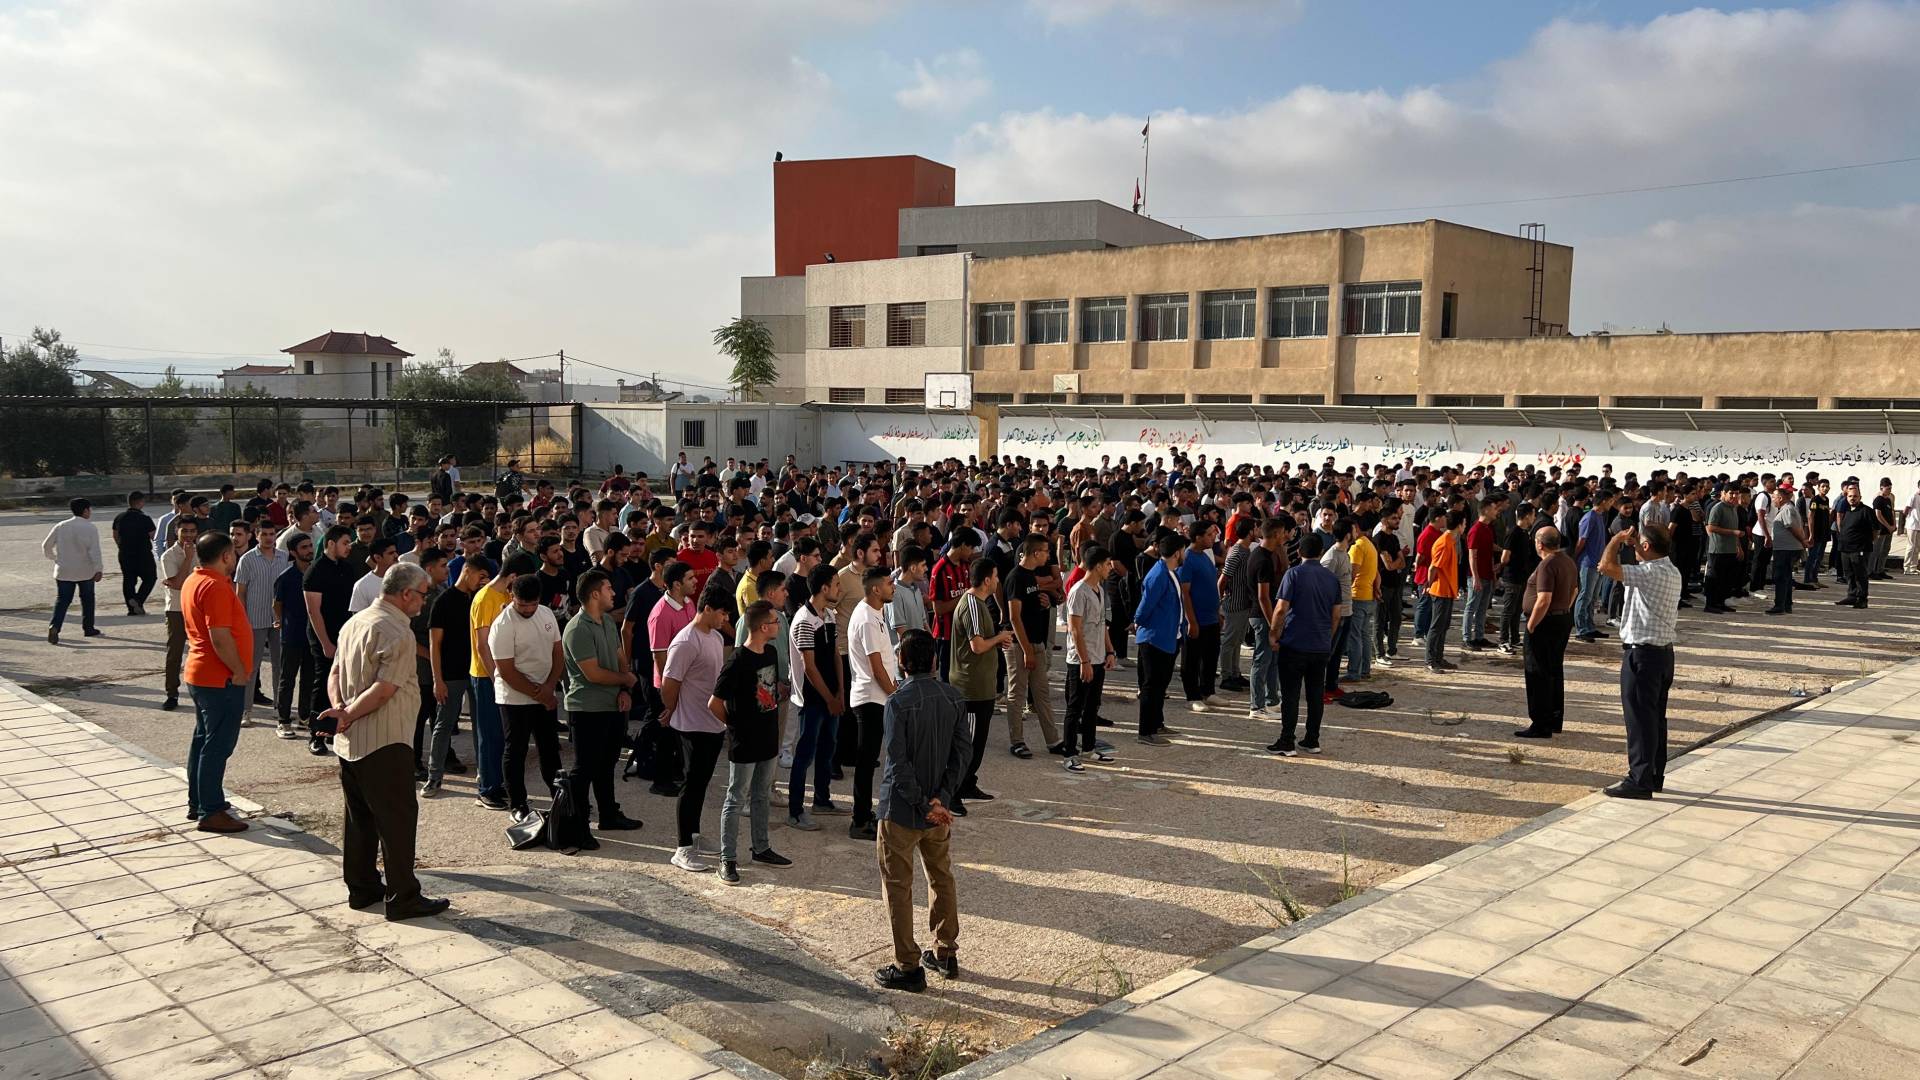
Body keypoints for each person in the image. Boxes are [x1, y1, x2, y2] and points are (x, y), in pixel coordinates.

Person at [314, 561, 450, 921]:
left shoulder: (355, 621)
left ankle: (362, 888)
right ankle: (403, 896)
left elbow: (335, 672)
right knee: (397, 820)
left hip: (352, 741)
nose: (424, 601)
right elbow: (384, 689)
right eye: (422, 594)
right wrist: (348, 713)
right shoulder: (398, 632)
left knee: (360, 819)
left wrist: (341, 709)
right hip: (385, 739)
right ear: (405, 594)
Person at [873, 629, 971, 993]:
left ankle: (908, 965)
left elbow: (897, 762)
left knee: (898, 887)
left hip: (901, 810)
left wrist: (922, 802)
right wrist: (940, 799)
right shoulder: (953, 698)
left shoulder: (897, 703)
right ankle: (945, 951)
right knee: (941, 876)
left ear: (901, 662)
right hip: (936, 810)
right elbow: (962, 753)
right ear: (934, 661)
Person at [1596, 522, 1681, 799]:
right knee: (1655, 718)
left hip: (1643, 654)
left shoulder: (1648, 573)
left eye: (1639, 542)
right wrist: (1636, 547)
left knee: (1639, 720)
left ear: (1646, 546)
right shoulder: (1671, 570)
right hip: (1662, 653)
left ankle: (1639, 779)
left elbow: (1605, 567)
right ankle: (1653, 775)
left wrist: (1616, 540)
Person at [712, 600, 794, 884]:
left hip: (767, 738)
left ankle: (761, 848)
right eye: (774, 621)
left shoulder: (770, 652)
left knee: (761, 795)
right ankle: (727, 858)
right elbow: (714, 702)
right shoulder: (737, 660)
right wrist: (734, 726)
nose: (778, 625)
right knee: (736, 798)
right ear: (762, 627)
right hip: (745, 741)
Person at [180, 531, 253, 833]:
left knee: (204, 741)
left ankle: (200, 801)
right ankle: (210, 810)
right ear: (225, 556)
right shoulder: (216, 586)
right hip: (219, 678)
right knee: (217, 746)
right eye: (232, 553)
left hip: (202, 674)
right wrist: (238, 670)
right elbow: (220, 636)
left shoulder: (194, 580)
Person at [561, 569, 643, 831]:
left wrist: (624, 689)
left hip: (612, 705)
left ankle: (608, 814)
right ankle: (577, 825)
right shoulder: (577, 629)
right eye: (609, 588)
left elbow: (620, 657)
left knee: (607, 764)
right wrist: (626, 679)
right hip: (587, 709)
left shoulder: (607, 621)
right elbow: (593, 674)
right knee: (584, 768)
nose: (614, 593)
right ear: (595, 594)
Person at [660, 585, 734, 872]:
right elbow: (670, 685)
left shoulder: (715, 637)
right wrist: (671, 710)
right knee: (691, 786)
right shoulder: (685, 642)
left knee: (701, 784)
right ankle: (683, 848)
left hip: (713, 723)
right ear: (707, 609)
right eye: (722, 613)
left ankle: (694, 835)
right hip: (691, 726)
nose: (725, 619)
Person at [490, 573, 565, 820]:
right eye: (523, 605)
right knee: (516, 750)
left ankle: (560, 798)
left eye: (533, 604)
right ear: (512, 596)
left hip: (545, 691)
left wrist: (550, 686)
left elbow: (557, 652)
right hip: (514, 698)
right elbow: (507, 671)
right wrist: (541, 694)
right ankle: (518, 804)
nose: (528, 609)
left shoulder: (546, 614)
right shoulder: (502, 625)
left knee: (550, 748)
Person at [468, 554, 534, 810]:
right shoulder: (485, 598)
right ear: (513, 577)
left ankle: (500, 783)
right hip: (487, 676)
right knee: (490, 735)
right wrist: (498, 676)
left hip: (504, 674)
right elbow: (482, 645)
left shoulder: (505, 596)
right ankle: (487, 789)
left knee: (505, 735)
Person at [1267, 533, 1339, 757]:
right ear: (1321, 552)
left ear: (1298, 552)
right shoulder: (1331, 578)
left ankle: (1287, 740)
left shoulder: (1293, 574)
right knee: (1315, 694)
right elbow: (1336, 614)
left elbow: (1281, 609)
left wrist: (1273, 634)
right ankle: (1312, 739)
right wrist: (1327, 636)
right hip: (1320, 644)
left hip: (1295, 643)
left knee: (1290, 694)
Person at [947, 558, 1010, 816]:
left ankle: (967, 784)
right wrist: (999, 638)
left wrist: (997, 640)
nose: (997, 581)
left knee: (977, 743)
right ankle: (951, 794)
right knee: (966, 746)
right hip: (970, 688)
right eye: (995, 576)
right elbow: (977, 645)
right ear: (986, 580)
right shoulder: (972, 604)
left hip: (981, 687)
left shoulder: (979, 603)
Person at [787, 564, 845, 830]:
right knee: (805, 754)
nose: (839, 589)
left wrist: (840, 691)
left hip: (830, 695)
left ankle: (822, 799)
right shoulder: (803, 620)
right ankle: (795, 811)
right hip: (811, 699)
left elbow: (835, 654)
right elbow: (809, 666)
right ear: (824, 588)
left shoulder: (829, 615)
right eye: (836, 584)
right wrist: (829, 698)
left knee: (827, 747)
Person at [422, 556, 486, 797]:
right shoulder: (444, 601)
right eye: (480, 575)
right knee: (444, 725)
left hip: (478, 671)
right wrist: (438, 680)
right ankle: (434, 776)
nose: (482, 581)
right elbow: (434, 644)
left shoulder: (479, 598)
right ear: (467, 571)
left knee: (482, 724)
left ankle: (484, 772)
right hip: (451, 674)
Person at [847, 567, 901, 840]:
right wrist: (894, 694)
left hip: (877, 696)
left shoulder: (876, 612)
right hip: (870, 698)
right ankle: (859, 820)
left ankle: (864, 813)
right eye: (890, 583)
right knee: (866, 762)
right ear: (876, 589)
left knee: (869, 760)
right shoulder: (867, 618)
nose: (894, 587)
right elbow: (876, 666)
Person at [302, 525, 360, 757]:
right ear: (331, 543)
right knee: (324, 680)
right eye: (345, 543)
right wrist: (326, 643)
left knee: (344, 682)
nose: (349, 547)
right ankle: (316, 734)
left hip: (345, 634)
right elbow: (313, 611)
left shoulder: (347, 568)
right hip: (323, 636)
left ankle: (337, 728)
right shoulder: (315, 571)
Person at [1514, 527, 1577, 739]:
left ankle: (1541, 723)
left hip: (1545, 622)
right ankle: (1553, 719)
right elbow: (1574, 590)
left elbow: (1544, 599)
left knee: (1538, 672)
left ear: (1540, 544)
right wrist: (1564, 608)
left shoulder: (1548, 564)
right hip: (1561, 618)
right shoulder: (1567, 560)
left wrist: (1531, 625)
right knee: (1553, 669)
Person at [1060, 545, 1118, 771]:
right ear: (1097, 566)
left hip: (1098, 656)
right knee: (1075, 707)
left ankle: (1089, 747)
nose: (1110, 568)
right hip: (1080, 660)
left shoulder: (1099, 590)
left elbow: (1102, 624)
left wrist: (1110, 651)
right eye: (1107, 564)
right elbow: (1075, 629)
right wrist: (1084, 661)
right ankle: (1069, 753)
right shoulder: (1078, 591)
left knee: (1093, 706)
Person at [1003, 535, 1060, 760]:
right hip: (1019, 645)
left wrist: (1044, 603)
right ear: (1035, 553)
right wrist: (1027, 650)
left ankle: (1053, 740)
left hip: (1036, 642)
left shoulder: (1031, 576)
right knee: (1017, 694)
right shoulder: (1016, 577)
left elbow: (1031, 606)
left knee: (1041, 694)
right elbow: (1014, 617)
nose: (1048, 556)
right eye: (1045, 551)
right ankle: (1017, 741)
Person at [1133, 529, 1188, 746]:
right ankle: (1145, 731)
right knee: (1152, 685)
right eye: (1183, 550)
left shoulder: (1170, 572)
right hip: (1154, 637)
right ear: (1177, 553)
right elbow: (1146, 605)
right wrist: (1138, 621)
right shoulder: (1158, 575)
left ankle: (1157, 723)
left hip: (1168, 637)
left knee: (1161, 684)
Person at [233, 519, 287, 718]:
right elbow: (240, 592)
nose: (268, 538)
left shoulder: (283, 557)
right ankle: (246, 709)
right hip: (254, 619)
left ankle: (280, 707)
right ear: (256, 536)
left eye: (272, 534)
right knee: (251, 666)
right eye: (264, 534)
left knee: (279, 665)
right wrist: (242, 620)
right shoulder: (247, 559)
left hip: (279, 619)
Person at [1177, 520, 1224, 711]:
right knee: (1192, 659)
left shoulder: (1205, 556)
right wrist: (1191, 621)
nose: (1214, 537)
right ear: (1198, 537)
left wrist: (1218, 612)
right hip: (1196, 619)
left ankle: (1208, 691)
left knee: (1211, 656)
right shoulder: (1187, 558)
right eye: (1209, 534)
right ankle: (1192, 696)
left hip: (1211, 617)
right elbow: (1185, 592)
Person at [43, 498, 103, 645]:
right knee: (87, 599)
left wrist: (55, 558)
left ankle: (55, 626)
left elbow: (46, 545)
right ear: (85, 510)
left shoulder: (61, 526)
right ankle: (88, 628)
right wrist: (98, 569)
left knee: (63, 600)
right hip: (85, 570)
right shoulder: (90, 528)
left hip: (64, 570)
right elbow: (94, 551)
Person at [274, 532, 317, 737]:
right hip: (291, 636)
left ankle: (304, 717)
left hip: (312, 636)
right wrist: (282, 622)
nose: (309, 550)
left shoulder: (316, 573)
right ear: (293, 552)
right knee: (287, 679)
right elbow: (277, 605)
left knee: (309, 678)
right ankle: (283, 721)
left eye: (310, 546)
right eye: (304, 547)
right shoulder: (285, 577)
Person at [160, 517, 200, 710]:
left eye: (192, 531)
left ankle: (201, 692)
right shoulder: (168, 556)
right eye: (184, 531)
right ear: (177, 531)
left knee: (201, 652)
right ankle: (172, 693)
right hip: (176, 609)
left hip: (198, 609)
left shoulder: (202, 552)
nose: (188, 535)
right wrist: (187, 558)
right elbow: (178, 584)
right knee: (174, 653)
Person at [1424, 511, 1464, 673]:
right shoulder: (1444, 542)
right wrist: (1428, 584)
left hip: (1447, 590)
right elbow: (1433, 567)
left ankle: (1438, 658)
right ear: (1460, 525)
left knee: (1443, 626)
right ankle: (1430, 660)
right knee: (1436, 626)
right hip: (1440, 590)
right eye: (1464, 524)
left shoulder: (1449, 541)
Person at [111, 491, 158, 617]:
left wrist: (121, 546)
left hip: (125, 553)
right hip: (143, 554)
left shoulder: (119, 517)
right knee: (150, 578)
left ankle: (131, 609)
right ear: (141, 502)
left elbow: (115, 535)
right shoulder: (145, 518)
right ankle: (138, 600)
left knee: (129, 580)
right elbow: (153, 536)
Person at [1764, 486, 1808, 616]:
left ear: (1780, 498)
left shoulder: (1787, 509)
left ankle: (1780, 605)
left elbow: (1792, 528)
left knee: (1781, 577)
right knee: (1786, 577)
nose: (1773, 499)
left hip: (1786, 549)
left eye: (1774, 497)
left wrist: (1803, 541)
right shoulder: (1785, 509)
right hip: (1785, 548)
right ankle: (1786, 604)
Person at [1703, 486, 1744, 614]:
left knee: (1726, 579)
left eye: (1736, 493)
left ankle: (1720, 602)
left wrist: (1738, 547)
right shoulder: (1718, 508)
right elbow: (1711, 527)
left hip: (1730, 549)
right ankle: (1710, 604)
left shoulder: (1733, 508)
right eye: (1731, 493)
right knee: (1714, 578)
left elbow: (1735, 530)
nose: (1734, 496)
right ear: (1723, 493)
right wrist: (1733, 532)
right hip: (1718, 549)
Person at [1835, 478, 1875, 609]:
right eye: (1850, 496)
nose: (1852, 498)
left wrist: (1867, 541)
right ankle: (1852, 595)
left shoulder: (1866, 511)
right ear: (1846, 497)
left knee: (1860, 574)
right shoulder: (1847, 510)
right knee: (1849, 574)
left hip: (1859, 549)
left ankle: (1862, 599)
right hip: (1845, 548)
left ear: (1860, 497)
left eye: (1855, 496)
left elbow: (1876, 530)